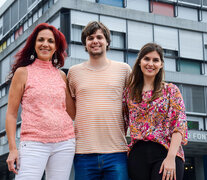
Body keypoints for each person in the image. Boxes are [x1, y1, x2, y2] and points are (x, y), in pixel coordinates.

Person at [5, 23, 75, 180]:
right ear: (34, 44)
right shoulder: (22, 73)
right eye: (40, 40)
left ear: (56, 47)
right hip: (33, 143)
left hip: (64, 143)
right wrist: (12, 149)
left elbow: (72, 112)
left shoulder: (61, 76)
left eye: (50, 41)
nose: (45, 44)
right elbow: (11, 114)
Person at [67, 21, 131, 180]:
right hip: (83, 153)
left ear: (107, 42)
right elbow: (71, 111)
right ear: (85, 44)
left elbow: (133, 106)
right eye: (90, 38)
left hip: (117, 151)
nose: (95, 41)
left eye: (99, 37)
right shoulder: (74, 73)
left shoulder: (124, 69)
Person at [123, 43, 188, 180]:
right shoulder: (129, 93)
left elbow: (179, 125)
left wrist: (171, 158)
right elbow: (121, 122)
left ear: (161, 64)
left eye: (155, 60)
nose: (150, 63)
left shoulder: (171, 91)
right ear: (140, 62)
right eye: (146, 59)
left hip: (166, 152)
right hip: (138, 155)